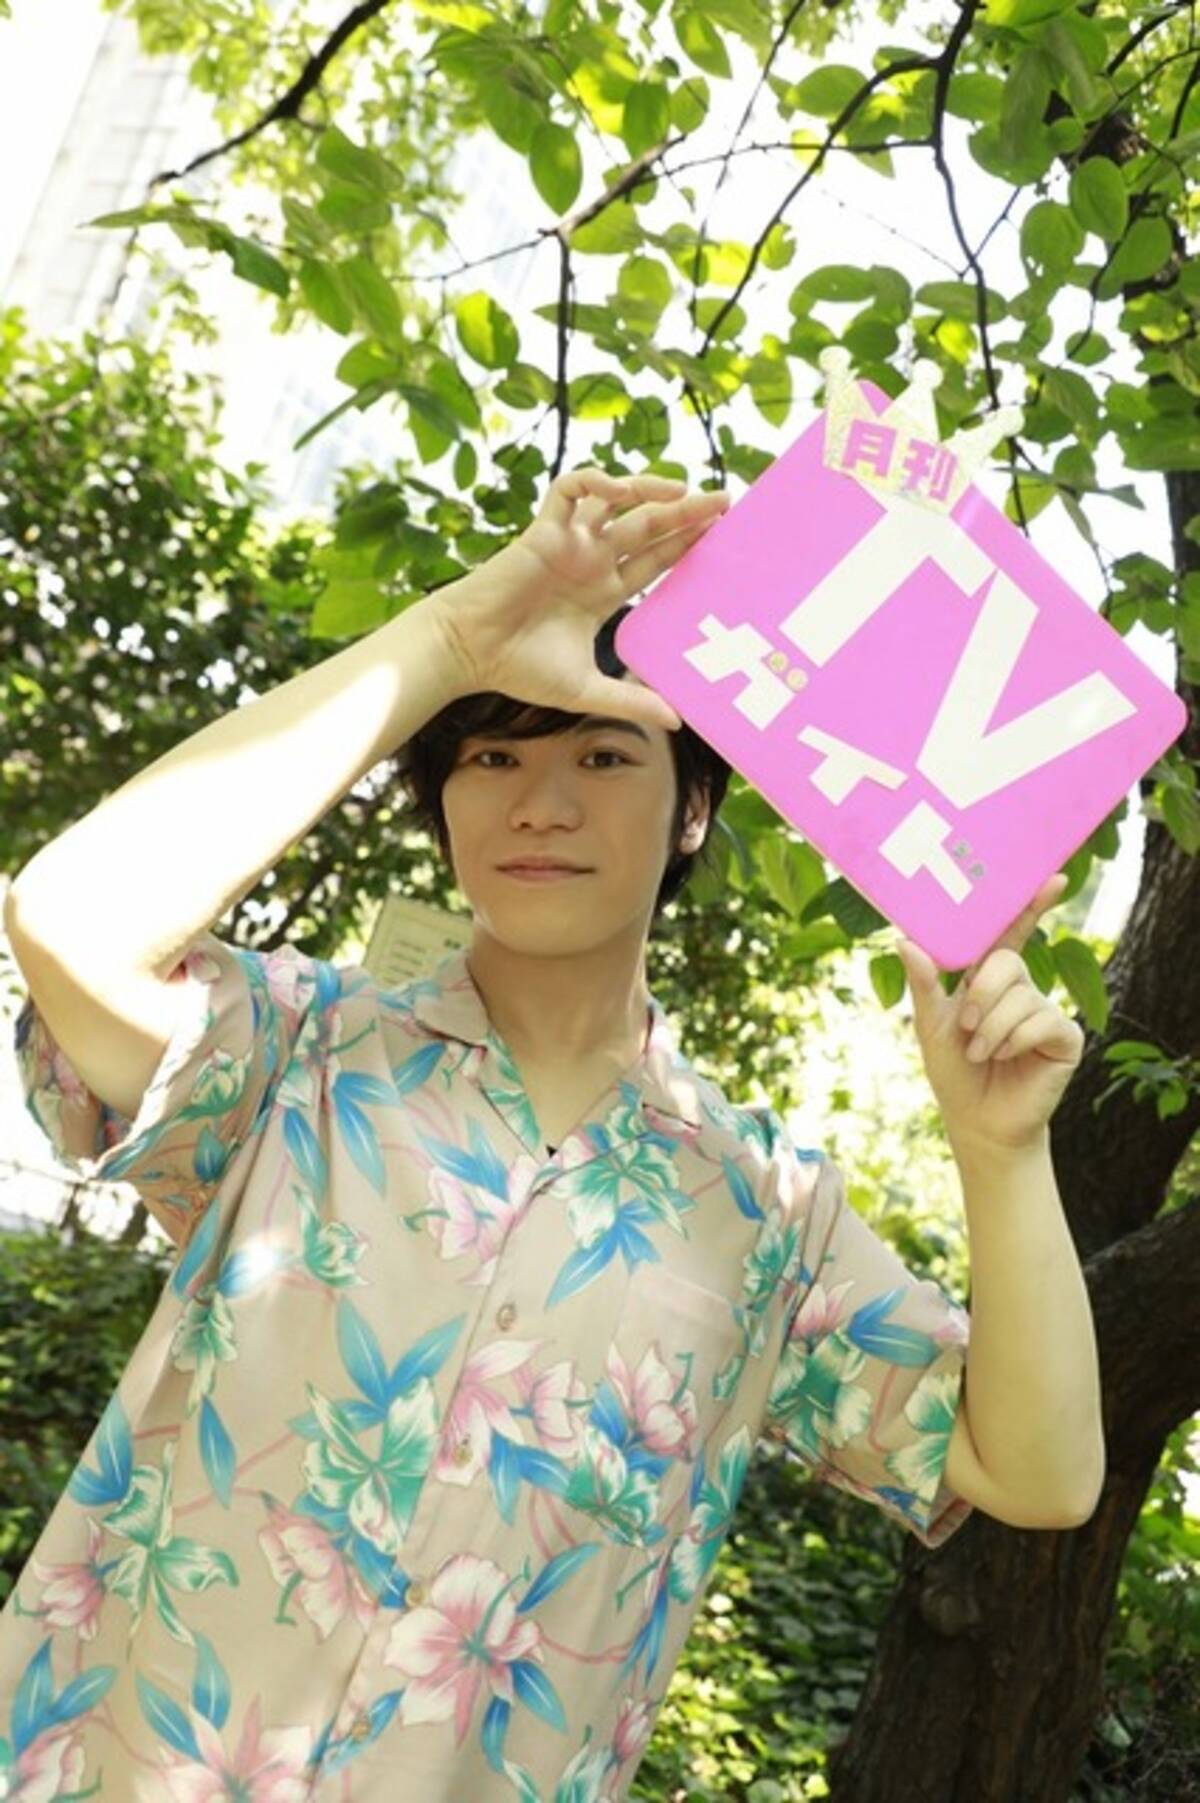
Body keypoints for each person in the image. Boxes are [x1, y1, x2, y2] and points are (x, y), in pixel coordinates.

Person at [1, 467, 976, 1801]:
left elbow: (1025, 1465)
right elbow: (67, 920)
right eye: (493, 756)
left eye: (603, 755)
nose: (540, 804)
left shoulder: (766, 1205)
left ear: (693, 807)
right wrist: (464, 632)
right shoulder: (299, 1051)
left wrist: (1004, 1149)